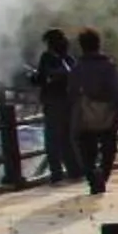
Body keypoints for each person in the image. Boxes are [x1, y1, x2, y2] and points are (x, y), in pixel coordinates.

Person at [69, 28, 118, 195]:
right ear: (98, 44)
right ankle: (103, 175)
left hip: (85, 116)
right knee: (109, 149)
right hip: (108, 114)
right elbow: (117, 92)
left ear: (82, 46)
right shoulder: (109, 66)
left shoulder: (77, 68)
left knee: (85, 151)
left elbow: (72, 92)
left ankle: (93, 177)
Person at [28, 28, 76, 182]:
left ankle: (56, 172)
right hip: (70, 103)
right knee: (68, 138)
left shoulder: (47, 58)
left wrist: (32, 77)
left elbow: (40, 79)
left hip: (53, 103)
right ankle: (74, 169)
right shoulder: (68, 59)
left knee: (52, 140)